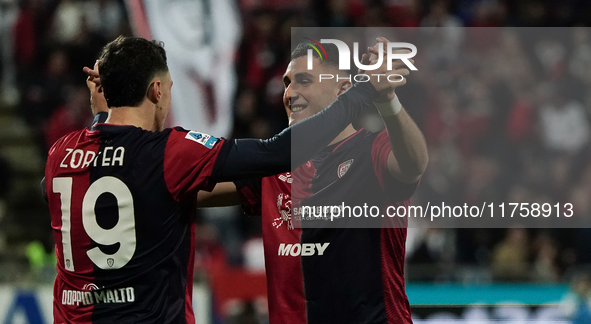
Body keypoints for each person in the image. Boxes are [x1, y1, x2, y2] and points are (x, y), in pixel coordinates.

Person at [44, 35, 399, 323]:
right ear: (156, 91)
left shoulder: (60, 153)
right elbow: (274, 153)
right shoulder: (170, 152)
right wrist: (364, 93)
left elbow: (94, 172)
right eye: (168, 89)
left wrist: (101, 114)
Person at [202, 37, 428, 323]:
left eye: (304, 80)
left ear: (344, 88)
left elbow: (413, 164)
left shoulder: (373, 150)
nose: (289, 93)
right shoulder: (275, 167)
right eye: (287, 83)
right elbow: (189, 191)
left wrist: (388, 101)